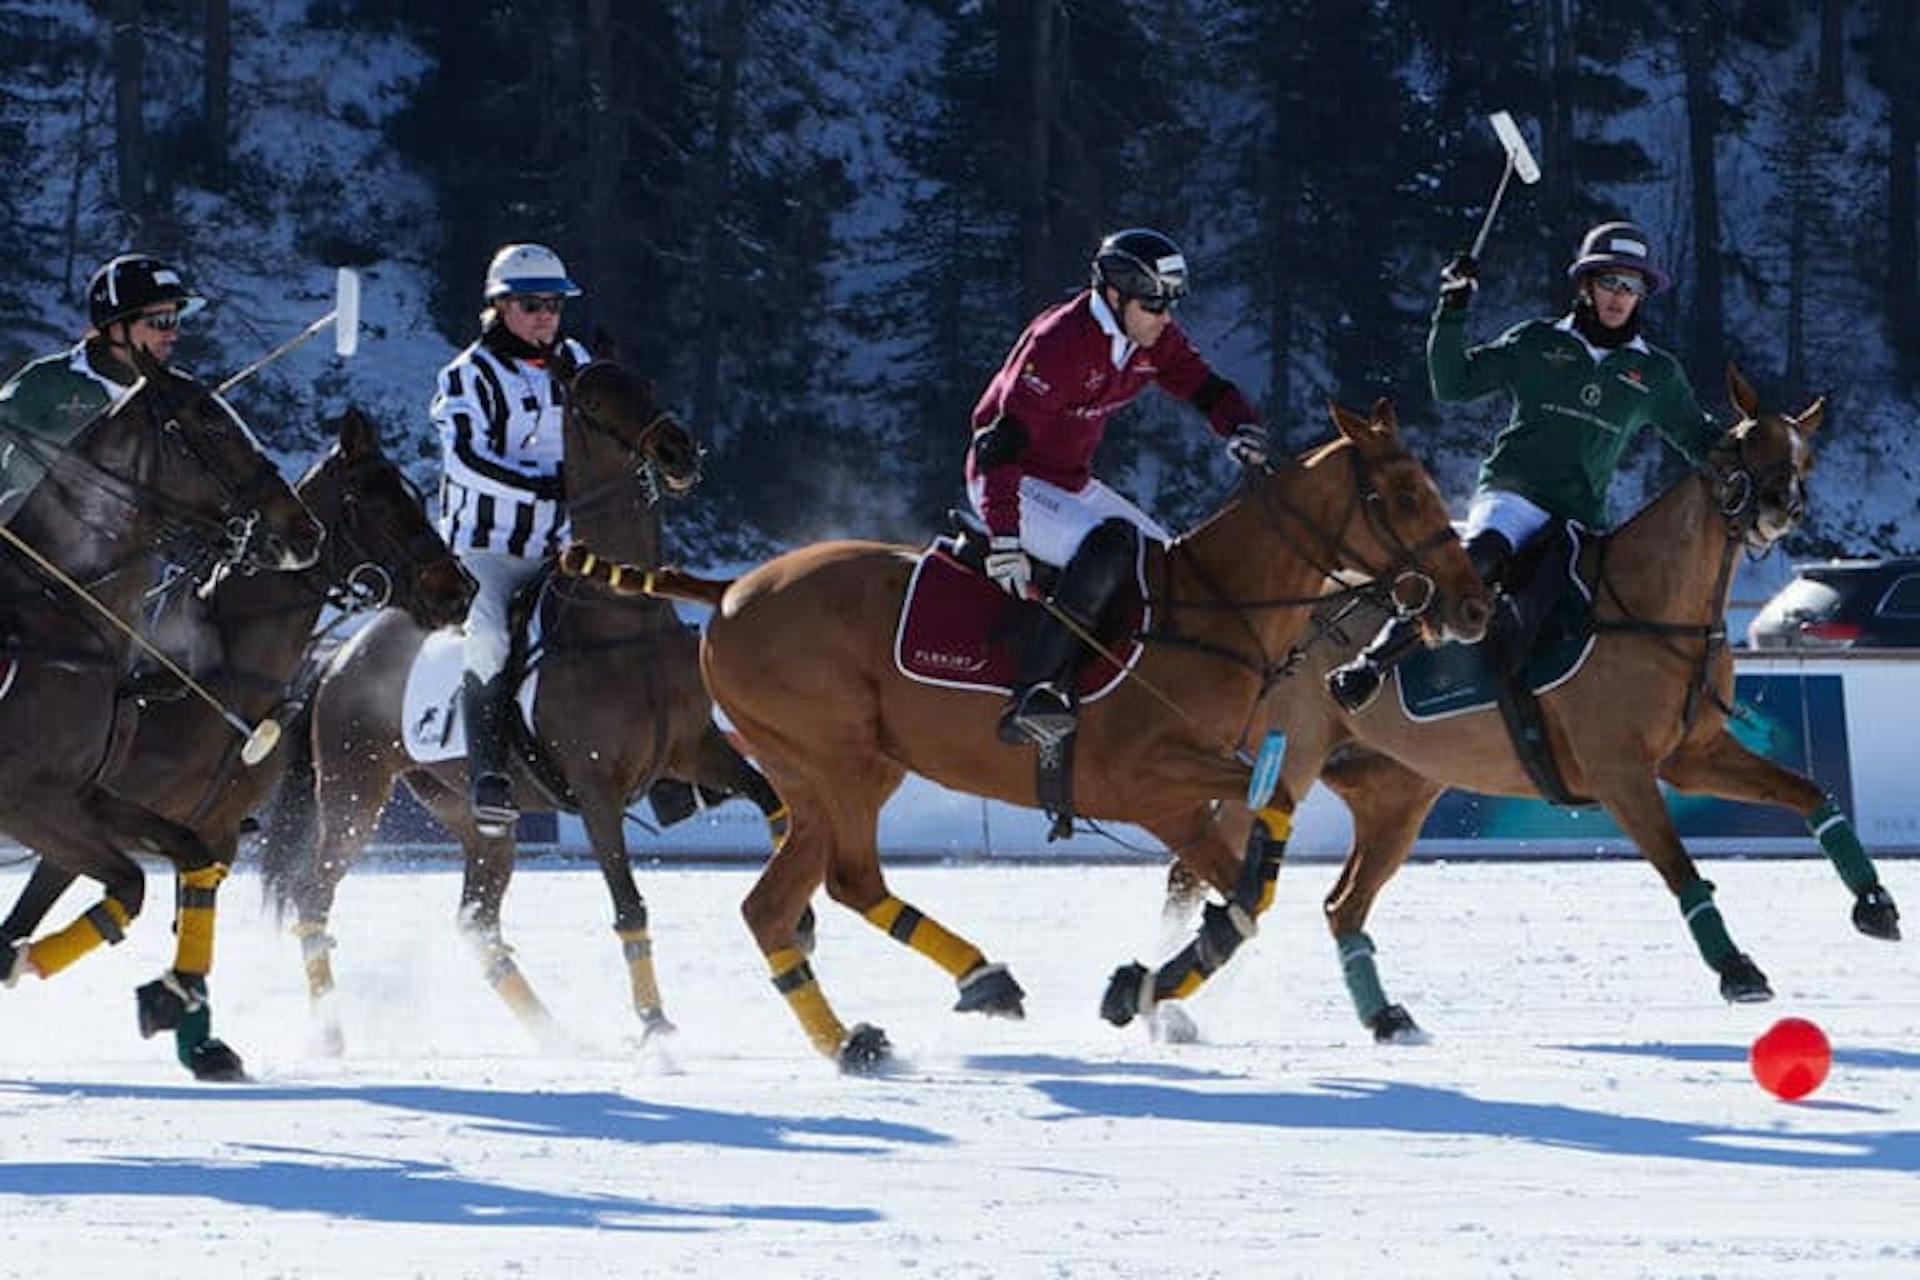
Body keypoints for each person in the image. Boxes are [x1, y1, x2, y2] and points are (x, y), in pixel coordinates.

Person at [1325, 219, 1722, 713]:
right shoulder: (1536, 343)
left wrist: (1761, 449)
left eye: (1633, 286)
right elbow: (1454, 382)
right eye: (1610, 282)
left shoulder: (1657, 375)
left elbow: (1699, 438)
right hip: (1514, 500)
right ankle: (1371, 664)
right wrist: (1451, 310)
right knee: (1474, 563)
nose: (1620, 297)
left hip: (1581, 519)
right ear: (1585, 285)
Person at [967, 227, 1269, 747]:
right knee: (1110, 548)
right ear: (1114, 295)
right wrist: (1005, 539)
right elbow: (1001, 447)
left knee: (1166, 567)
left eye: (1171, 303)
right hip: (1012, 481)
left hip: (1069, 483)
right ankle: (1034, 693)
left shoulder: (1152, 339)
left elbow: (1203, 386)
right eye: (1154, 303)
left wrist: (1239, 425)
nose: (1165, 316)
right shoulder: (1059, 342)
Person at [432, 242, 590, 834]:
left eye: (554, 303)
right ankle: (488, 776)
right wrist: (540, 488)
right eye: (531, 304)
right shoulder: (466, 373)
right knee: (493, 638)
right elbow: (465, 459)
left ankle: (672, 775)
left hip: (564, 547)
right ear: (499, 307)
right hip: (487, 550)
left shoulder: (576, 358)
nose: (546, 315)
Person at [0, 253, 210, 512]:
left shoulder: (168, 402)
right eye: (160, 322)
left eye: (175, 320)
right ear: (117, 327)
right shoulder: (48, 381)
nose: (172, 335)